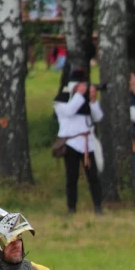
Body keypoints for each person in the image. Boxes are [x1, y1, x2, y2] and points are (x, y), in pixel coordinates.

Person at [53, 68, 105, 214]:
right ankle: (71, 208)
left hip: (87, 143)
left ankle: (98, 207)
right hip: (70, 143)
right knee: (72, 177)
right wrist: (80, 95)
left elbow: (98, 117)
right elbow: (70, 110)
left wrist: (93, 101)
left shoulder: (84, 99)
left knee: (93, 177)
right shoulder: (61, 99)